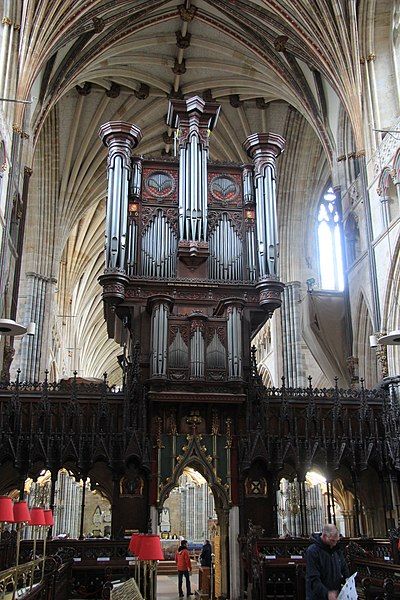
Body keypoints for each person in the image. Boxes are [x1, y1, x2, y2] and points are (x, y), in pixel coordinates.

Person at [306, 524, 350, 599]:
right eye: (333, 540)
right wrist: (327, 594)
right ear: (324, 536)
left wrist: (347, 579)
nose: (335, 543)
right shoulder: (313, 551)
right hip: (318, 596)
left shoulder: (336, 548)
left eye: (337, 540)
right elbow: (313, 579)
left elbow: (343, 567)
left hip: (335, 594)